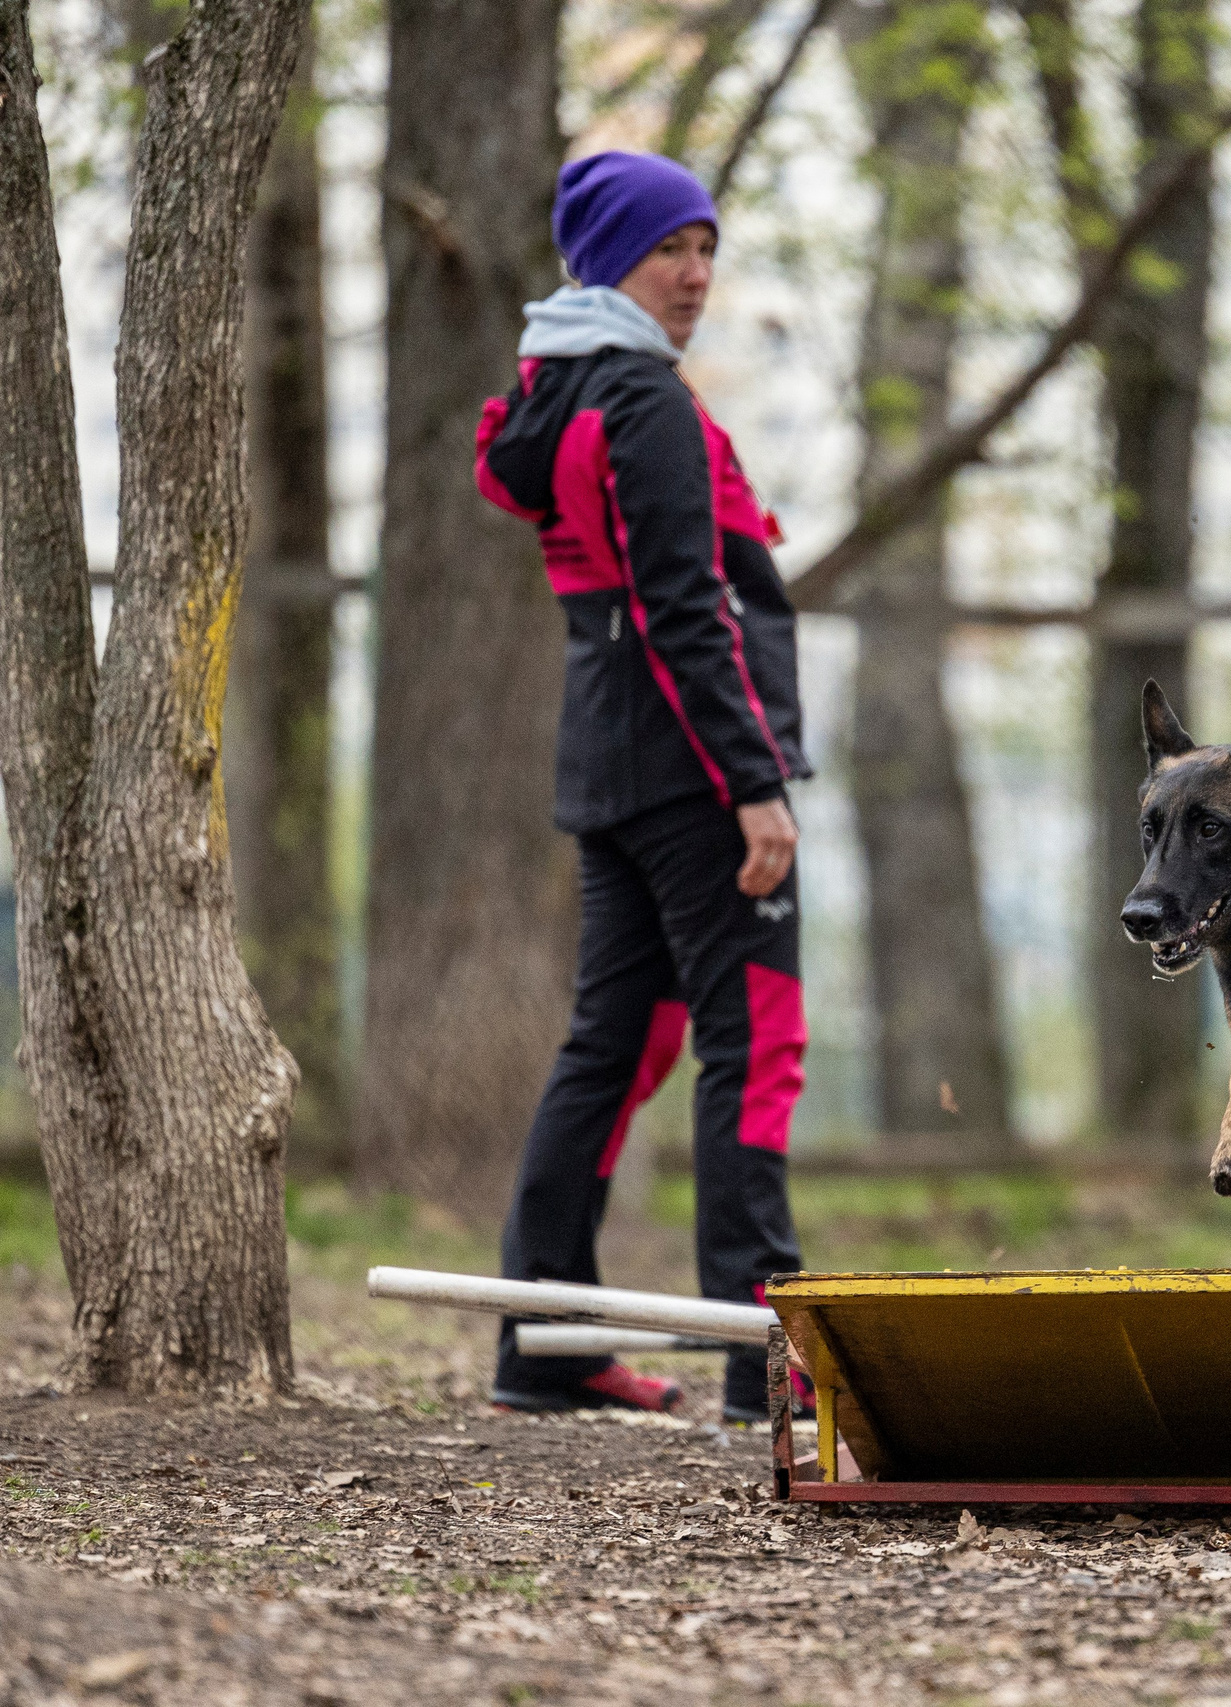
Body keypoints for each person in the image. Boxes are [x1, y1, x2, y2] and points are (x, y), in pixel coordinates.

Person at [473, 150, 813, 1421]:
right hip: (691, 775)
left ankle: (544, 1347)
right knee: (755, 1041)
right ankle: (761, 1368)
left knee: (619, 1045)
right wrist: (755, 785)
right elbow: (687, 612)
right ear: (609, 255)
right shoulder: (646, 405)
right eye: (671, 246)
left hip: (606, 761)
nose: (697, 273)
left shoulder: (553, 395)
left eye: (708, 247)